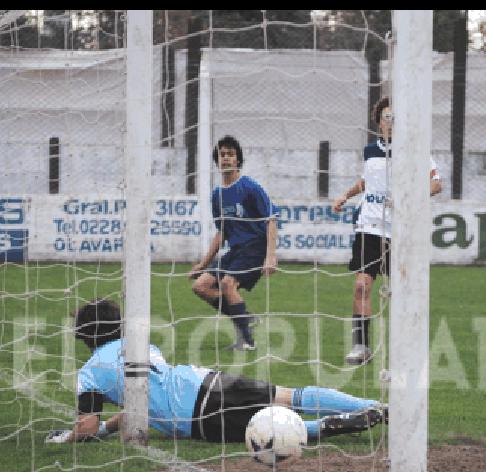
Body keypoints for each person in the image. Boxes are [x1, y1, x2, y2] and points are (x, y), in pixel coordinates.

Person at [45, 298, 386, 444]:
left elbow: (87, 427)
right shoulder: (141, 346)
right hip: (203, 378)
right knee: (287, 396)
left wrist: (70, 436)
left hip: (192, 417)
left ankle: (325, 426)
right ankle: (371, 404)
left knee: (264, 430)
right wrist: (112, 424)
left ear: (84, 336)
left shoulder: (90, 373)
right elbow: (138, 405)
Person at [332, 97, 442, 365]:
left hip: (400, 232)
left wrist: (411, 198)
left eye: (396, 118)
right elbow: (366, 182)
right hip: (368, 227)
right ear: (379, 121)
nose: (391, 123)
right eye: (387, 117)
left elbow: (436, 183)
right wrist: (346, 195)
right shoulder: (370, 151)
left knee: (403, 293)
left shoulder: (415, 150)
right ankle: (361, 347)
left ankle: (408, 349)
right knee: (361, 286)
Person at [189, 135, 277, 351]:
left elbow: (271, 220)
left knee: (228, 284)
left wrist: (271, 255)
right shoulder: (217, 195)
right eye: (222, 154)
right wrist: (203, 263)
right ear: (217, 161)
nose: (226, 158)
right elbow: (222, 232)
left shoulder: (249, 187)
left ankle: (247, 341)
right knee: (201, 286)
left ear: (238, 160)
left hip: (255, 248)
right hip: (236, 251)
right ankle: (245, 318)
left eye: (230, 154)